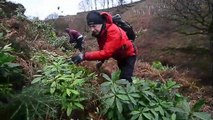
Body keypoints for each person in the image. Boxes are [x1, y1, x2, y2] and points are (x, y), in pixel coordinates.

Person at [71, 11, 137, 82]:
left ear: (101, 23)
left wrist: (83, 56)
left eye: (94, 26)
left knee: (125, 78)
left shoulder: (113, 32)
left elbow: (106, 53)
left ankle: (130, 90)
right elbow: (103, 48)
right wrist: (101, 61)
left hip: (129, 54)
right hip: (120, 56)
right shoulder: (101, 32)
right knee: (123, 74)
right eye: (90, 27)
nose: (92, 30)